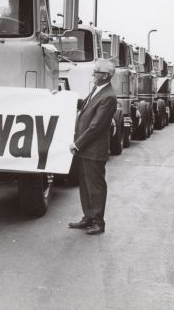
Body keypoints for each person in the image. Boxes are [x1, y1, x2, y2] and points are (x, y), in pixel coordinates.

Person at [68, 59, 117, 235]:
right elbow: (85, 106)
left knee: (95, 186)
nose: (93, 74)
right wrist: (62, 98)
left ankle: (98, 222)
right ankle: (88, 217)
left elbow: (96, 127)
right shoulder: (98, 90)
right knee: (85, 184)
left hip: (94, 150)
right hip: (85, 150)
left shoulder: (109, 97)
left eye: (96, 72)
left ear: (105, 76)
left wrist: (77, 144)